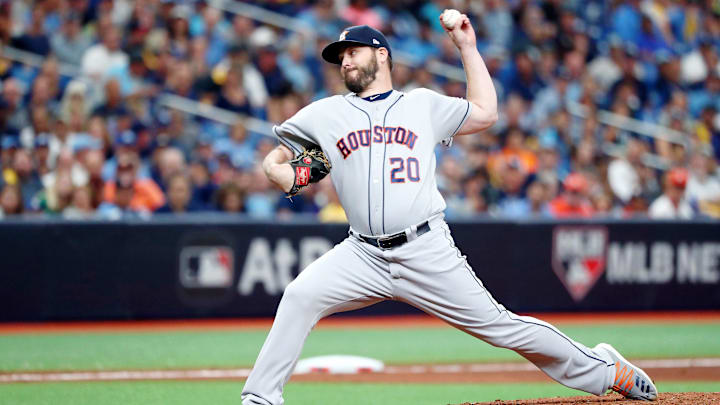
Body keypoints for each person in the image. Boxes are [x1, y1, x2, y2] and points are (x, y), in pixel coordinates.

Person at [244, 18, 657, 405]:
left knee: (501, 327)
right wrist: (277, 170)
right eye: (340, 56)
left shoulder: (422, 104)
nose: (345, 59)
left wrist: (466, 46)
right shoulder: (325, 113)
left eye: (353, 50)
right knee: (299, 296)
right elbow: (279, 154)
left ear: (381, 54)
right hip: (362, 253)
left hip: (424, 248)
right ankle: (259, 397)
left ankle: (606, 371)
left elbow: (486, 112)